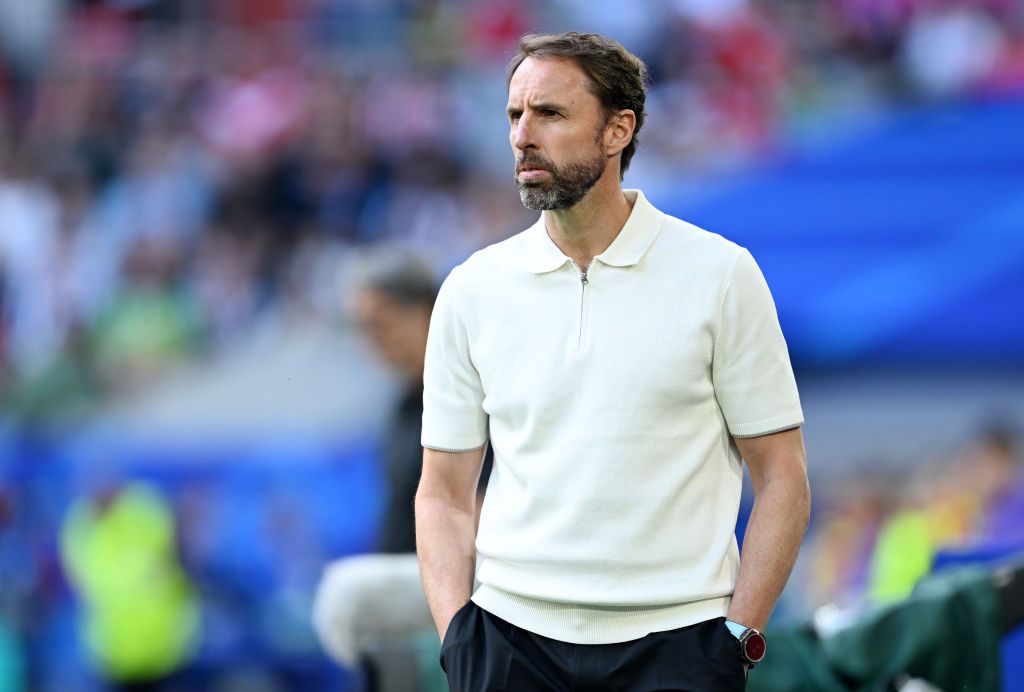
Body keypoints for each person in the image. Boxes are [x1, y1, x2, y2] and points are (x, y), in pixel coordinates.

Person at [415, 32, 811, 691]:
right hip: (508, 643)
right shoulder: (472, 288)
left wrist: (738, 640)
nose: (522, 136)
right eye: (515, 115)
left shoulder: (720, 274)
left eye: (551, 114)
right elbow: (443, 493)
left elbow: (782, 479)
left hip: (678, 647)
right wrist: (459, 636)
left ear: (617, 130)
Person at [313, 250, 490, 691]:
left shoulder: (468, 396)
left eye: (378, 322)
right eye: (360, 327)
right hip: (405, 629)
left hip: (451, 615)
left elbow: (482, 520)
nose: (369, 340)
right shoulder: (402, 406)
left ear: (426, 312)